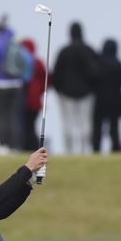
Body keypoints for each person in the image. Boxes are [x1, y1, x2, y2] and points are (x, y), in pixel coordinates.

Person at [52, 21, 98, 154]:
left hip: (66, 94)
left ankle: (69, 151)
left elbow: (56, 73)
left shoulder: (64, 51)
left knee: (68, 124)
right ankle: (84, 151)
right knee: (86, 124)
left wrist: (59, 90)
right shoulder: (89, 50)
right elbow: (96, 71)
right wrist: (92, 89)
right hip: (86, 93)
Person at [0, 15, 28, 152]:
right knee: (14, 116)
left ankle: (4, 145)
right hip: (17, 84)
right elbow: (26, 62)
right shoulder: (15, 41)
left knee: (1, 116)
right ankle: (15, 145)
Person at [91, 38, 121, 153]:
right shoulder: (118, 63)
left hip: (100, 99)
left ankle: (96, 149)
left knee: (97, 127)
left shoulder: (98, 63)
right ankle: (115, 149)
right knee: (114, 127)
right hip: (115, 100)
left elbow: (93, 79)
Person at [20, 38, 47, 151]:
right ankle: (33, 148)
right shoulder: (38, 62)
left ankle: (27, 147)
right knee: (31, 126)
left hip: (24, 100)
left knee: (26, 126)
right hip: (36, 101)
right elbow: (47, 79)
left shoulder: (22, 62)